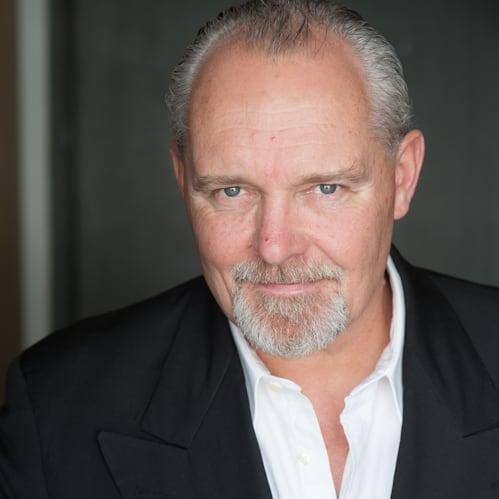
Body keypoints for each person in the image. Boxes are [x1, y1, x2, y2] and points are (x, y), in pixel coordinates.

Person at [1, 1, 499, 498]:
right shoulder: (56, 405)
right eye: (232, 191)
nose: (275, 247)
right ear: (183, 180)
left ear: (402, 177)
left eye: (325, 188)